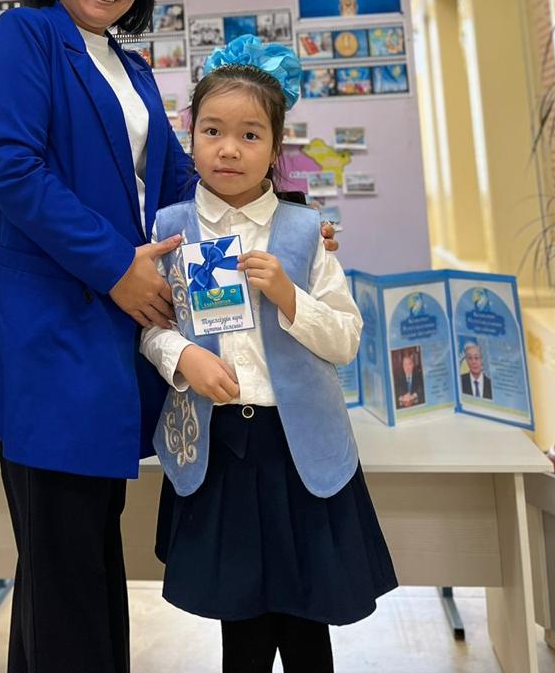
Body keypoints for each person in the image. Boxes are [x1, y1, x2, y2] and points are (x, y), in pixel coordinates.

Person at [0, 0, 197, 673]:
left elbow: (176, 184)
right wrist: (118, 267)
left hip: (109, 335)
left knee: (80, 556)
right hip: (49, 330)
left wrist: (274, 218)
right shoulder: (22, 36)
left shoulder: (131, 68)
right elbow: (12, 171)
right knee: (64, 557)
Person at [141, 36, 397, 673]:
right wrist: (183, 358)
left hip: (299, 449)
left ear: (276, 148)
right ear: (191, 137)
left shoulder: (308, 232)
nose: (229, 149)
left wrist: (289, 297)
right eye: (213, 131)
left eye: (250, 135)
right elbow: (150, 325)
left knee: (309, 622)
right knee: (242, 627)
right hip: (219, 449)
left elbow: (346, 338)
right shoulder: (170, 228)